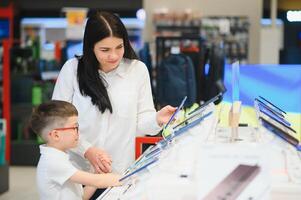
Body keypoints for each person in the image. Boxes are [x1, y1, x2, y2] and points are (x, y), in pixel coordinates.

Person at [29, 100, 122, 200]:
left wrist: (98, 173)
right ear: (56, 135)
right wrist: (125, 178)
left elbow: (81, 197)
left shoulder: (59, 157)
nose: (78, 132)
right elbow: (97, 181)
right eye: (74, 127)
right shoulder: (53, 162)